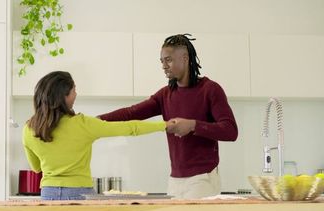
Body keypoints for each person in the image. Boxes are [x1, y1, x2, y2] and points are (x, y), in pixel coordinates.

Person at [98, 34, 238, 199]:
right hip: (174, 180)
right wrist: (98, 120)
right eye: (162, 61)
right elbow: (132, 112)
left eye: (169, 60)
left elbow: (230, 131)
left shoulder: (210, 90)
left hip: (203, 179)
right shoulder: (165, 95)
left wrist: (193, 125)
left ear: (185, 58)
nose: (164, 66)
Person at [22, 71, 172, 200]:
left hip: (48, 194)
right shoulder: (83, 124)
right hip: (79, 193)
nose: (76, 94)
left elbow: (36, 168)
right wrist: (165, 125)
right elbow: (130, 128)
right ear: (64, 96)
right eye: (74, 90)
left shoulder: (28, 129)